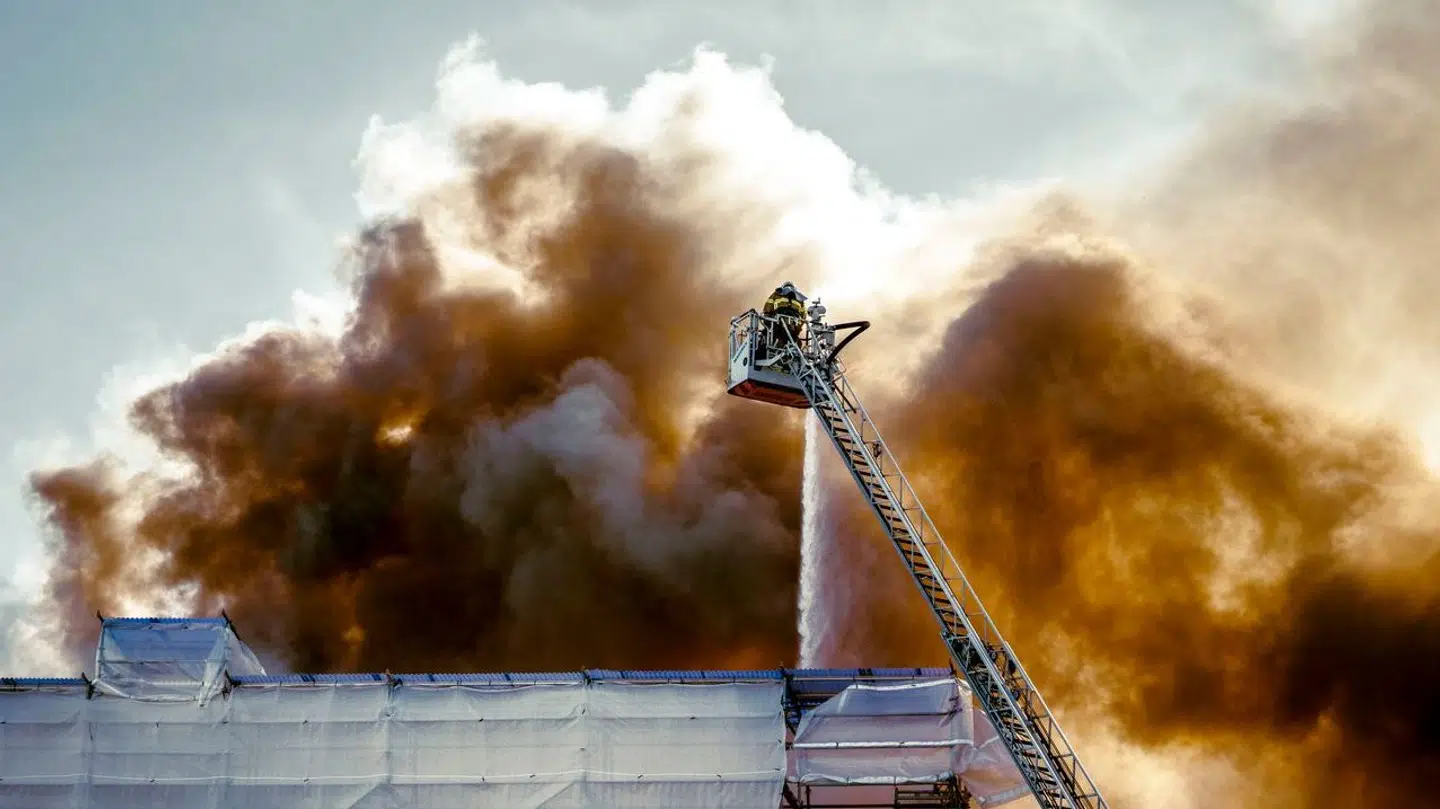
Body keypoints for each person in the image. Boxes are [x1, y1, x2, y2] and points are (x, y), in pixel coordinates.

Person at [761, 282, 806, 354]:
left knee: (768, 336)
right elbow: (804, 316)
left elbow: (768, 307)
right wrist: (798, 328)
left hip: (778, 324)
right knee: (794, 341)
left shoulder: (777, 293)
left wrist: (767, 320)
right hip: (792, 326)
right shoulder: (799, 298)